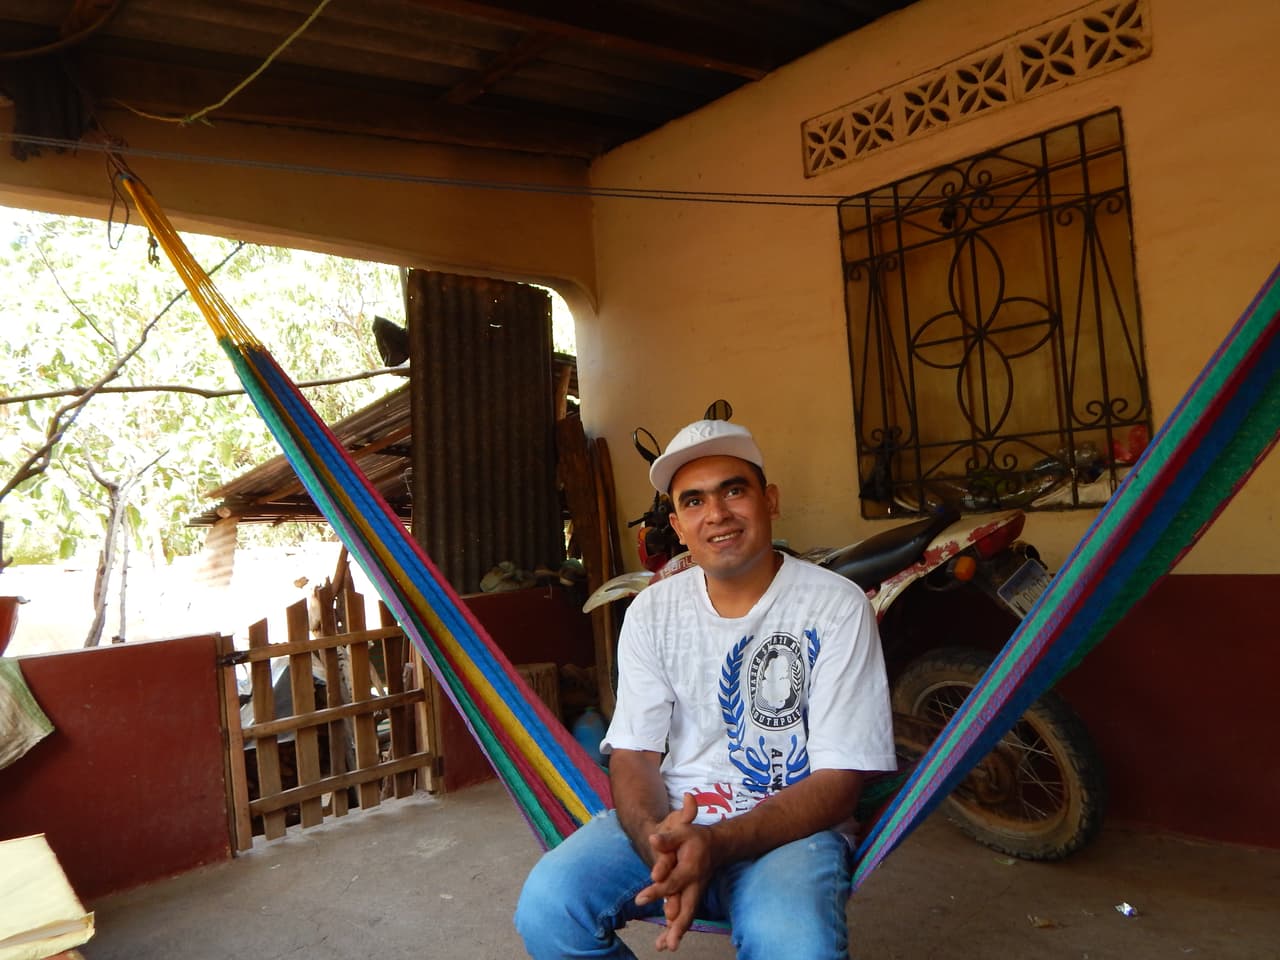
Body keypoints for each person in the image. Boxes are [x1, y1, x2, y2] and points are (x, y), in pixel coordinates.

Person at [515, 419, 896, 959]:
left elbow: (840, 781)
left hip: (792, 831)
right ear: (677, 525)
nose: (716, 513)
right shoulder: (652, 611)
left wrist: (714, 844)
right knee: (547, 908)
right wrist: (658, 843)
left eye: (733, 491)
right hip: (673, 817)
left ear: (770, 500)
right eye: (693, 501)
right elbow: (634, 753)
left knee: (797, 947)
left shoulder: (836, 606)